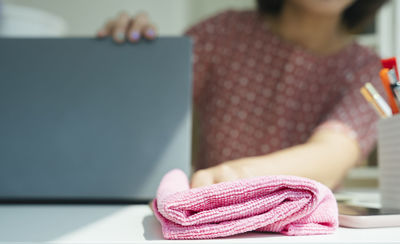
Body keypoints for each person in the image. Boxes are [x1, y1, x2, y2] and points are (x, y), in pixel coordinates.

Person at [97, 0, 388, 189]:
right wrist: (123, 65)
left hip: (304, 241)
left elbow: (334, 153)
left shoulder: (374, 71)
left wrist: (233, 179)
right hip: (206, 233)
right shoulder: (221, 33)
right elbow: (144, 113)